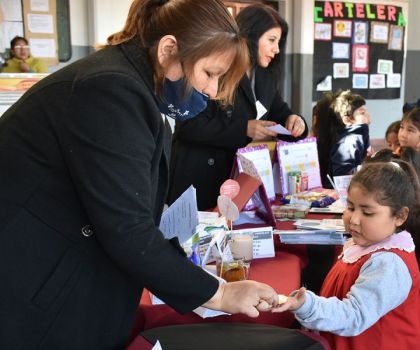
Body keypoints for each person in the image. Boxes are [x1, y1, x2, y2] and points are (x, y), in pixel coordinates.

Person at [0, 1, 279, 348]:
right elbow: (126, 228)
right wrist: (219, 295)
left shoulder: (134, 86)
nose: (211, 90)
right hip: (40, 285)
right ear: (168, 49)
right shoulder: (109, 90)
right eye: (209, 73)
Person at [274, 161, 420, 350]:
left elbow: (354, 314)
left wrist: (307, 305)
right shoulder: (364, 244)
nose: (354, 219)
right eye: (350, 207)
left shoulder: (389, 263)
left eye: (367, 212)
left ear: (400, 216)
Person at [167, 3, 308, 210]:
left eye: (278, 42)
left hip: (231, 181)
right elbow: (190, 126)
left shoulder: (265, 77)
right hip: (197, 177)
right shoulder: (219, 69)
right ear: (251, 35)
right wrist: (244, 129)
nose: (276, 49)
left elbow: (281, 113)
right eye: (271, 40)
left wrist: (297, 122)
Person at [314, 89, 371, 188]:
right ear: (347, 119)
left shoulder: (357, 136)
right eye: (362, 113)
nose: (369, 117)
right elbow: (343, 178)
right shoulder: (349, 142)